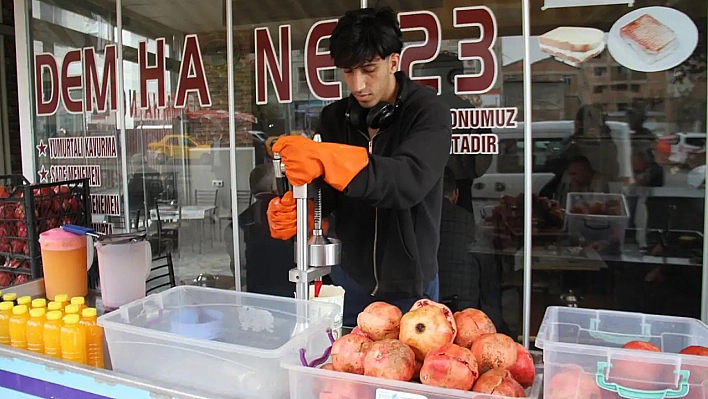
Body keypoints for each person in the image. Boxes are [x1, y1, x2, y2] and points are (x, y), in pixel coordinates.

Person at [266, 6, 452, 326]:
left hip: (410, 284)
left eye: (368, 69)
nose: (358, 84)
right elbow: (332, 190)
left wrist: (328, 158)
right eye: (348, 71)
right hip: (348, 278)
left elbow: (407, 181)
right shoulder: (335, 117)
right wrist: (309, 208)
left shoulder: (428, 112)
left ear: (394, 61)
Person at [225, 163, 297, 297]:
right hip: (292, 293)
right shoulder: (293, 218)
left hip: (255, 295)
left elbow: (239, 266)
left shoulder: (236, 225)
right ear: (275, 187)